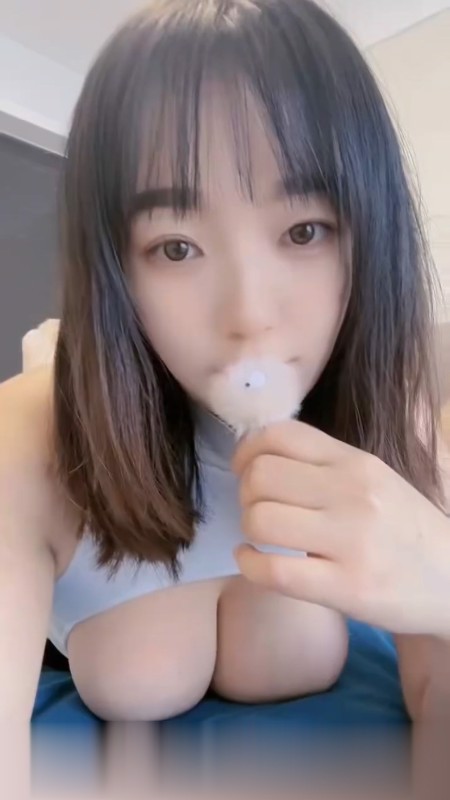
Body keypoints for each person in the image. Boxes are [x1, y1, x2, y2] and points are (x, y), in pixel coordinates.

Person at [1, 0, 450, 784]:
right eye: (176, 247)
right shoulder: (26, 441)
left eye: (304, 231)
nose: (249, 316)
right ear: (115, 269)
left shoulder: (397, 416)